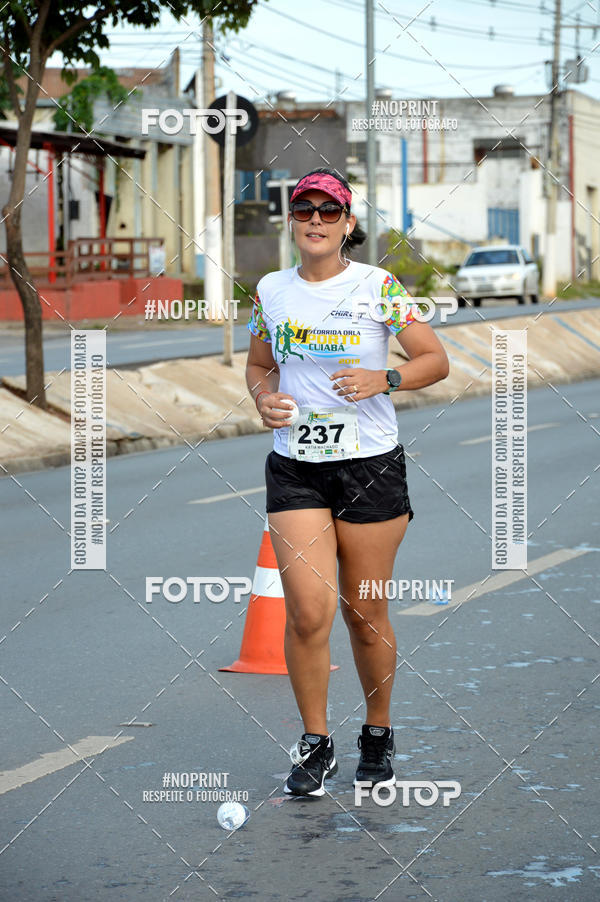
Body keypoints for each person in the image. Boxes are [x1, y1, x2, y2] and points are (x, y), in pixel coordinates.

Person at [245, 167, 449, 798]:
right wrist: (263, 400)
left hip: (370, 467)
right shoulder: (271, 290)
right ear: (291, 221)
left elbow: (435, 360)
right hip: (296, 465)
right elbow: (258, 367)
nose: (313, 220)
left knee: (365, 612)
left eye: (327, 212)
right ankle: (315, 744)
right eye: (303, 210)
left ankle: (378, 735)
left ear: (347, 225)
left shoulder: (379, 286)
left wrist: (384, 379)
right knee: (309, 613)